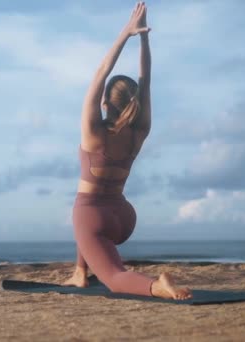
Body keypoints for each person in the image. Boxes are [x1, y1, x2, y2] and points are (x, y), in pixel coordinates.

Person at [63, 2, 192, 300]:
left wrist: (126, 33)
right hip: (123, 217)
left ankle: (156, 286)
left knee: (113, 277)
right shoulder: (139, 132)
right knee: (87, 225)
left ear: (106, 103)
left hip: (93, 216)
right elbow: (146, 80)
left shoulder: (93, 132)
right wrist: (144, 38)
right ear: (133, 103)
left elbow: (99, 73)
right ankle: (80, 271)